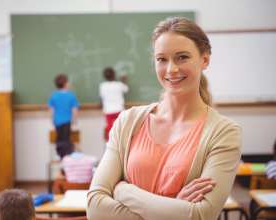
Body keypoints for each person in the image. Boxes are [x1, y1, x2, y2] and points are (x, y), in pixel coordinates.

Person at [87, 17, 241, 220]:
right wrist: (175, 207)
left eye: (182, 57)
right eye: (162, 59)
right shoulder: (128, 121)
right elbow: (95, 207)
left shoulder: (224, 133)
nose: (171, 69)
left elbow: (200, 215)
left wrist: (125, 191)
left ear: (205, 59)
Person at [48, 73, 80, 158]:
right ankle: (67, 156)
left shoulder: (54, 96)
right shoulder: (71, 96)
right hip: (67, 122)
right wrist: (74, 121)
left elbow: (51, 111)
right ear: (65, 84)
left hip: (57, 122)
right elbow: (75, 110)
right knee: (66, 139)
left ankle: (60, 155)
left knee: (60, 139)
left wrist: (52, 121)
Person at [99, 67, 129, 141]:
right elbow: (126, 89)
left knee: (110, 128)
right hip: (119, 109)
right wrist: (123, 81)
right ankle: (121, 143)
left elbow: (102, 96)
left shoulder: (102, 86)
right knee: (121, 128)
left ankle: (111, 143)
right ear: (114, 75)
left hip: (108, 111)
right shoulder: (119, 84)